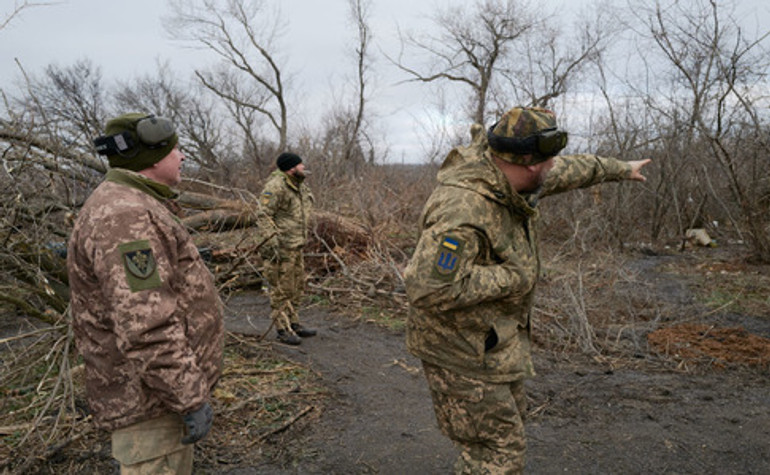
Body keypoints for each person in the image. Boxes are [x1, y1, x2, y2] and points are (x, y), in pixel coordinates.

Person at [404, 106, 651, 474]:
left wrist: (621, 169)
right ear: (531, 164)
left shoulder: (510, 173)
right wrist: (515, 277)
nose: (555, 167)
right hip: (460, 351)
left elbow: (571, 171)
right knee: (498, 454)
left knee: (500, 438)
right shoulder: (463, 210)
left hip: (494, 342)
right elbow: (428, 289)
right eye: (549, 162)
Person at [67, 113, 224, 474]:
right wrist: (189, 396)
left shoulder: (133, 204)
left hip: (156, 396)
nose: (182, 156)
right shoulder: (125, 217)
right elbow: (146, 325)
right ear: (152, 158)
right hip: (151, 406)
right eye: (175, 150)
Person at [258, 152, 317, 345]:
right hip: (281, 248)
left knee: (296, 287)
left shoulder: (299, 185)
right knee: (281, 290)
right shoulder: (276, 186)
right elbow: (263, 215)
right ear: (291, 168)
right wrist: (272, 242)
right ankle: (282, 329)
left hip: (296, 245)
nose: (303, 167)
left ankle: (294, 323)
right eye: (300, 165)